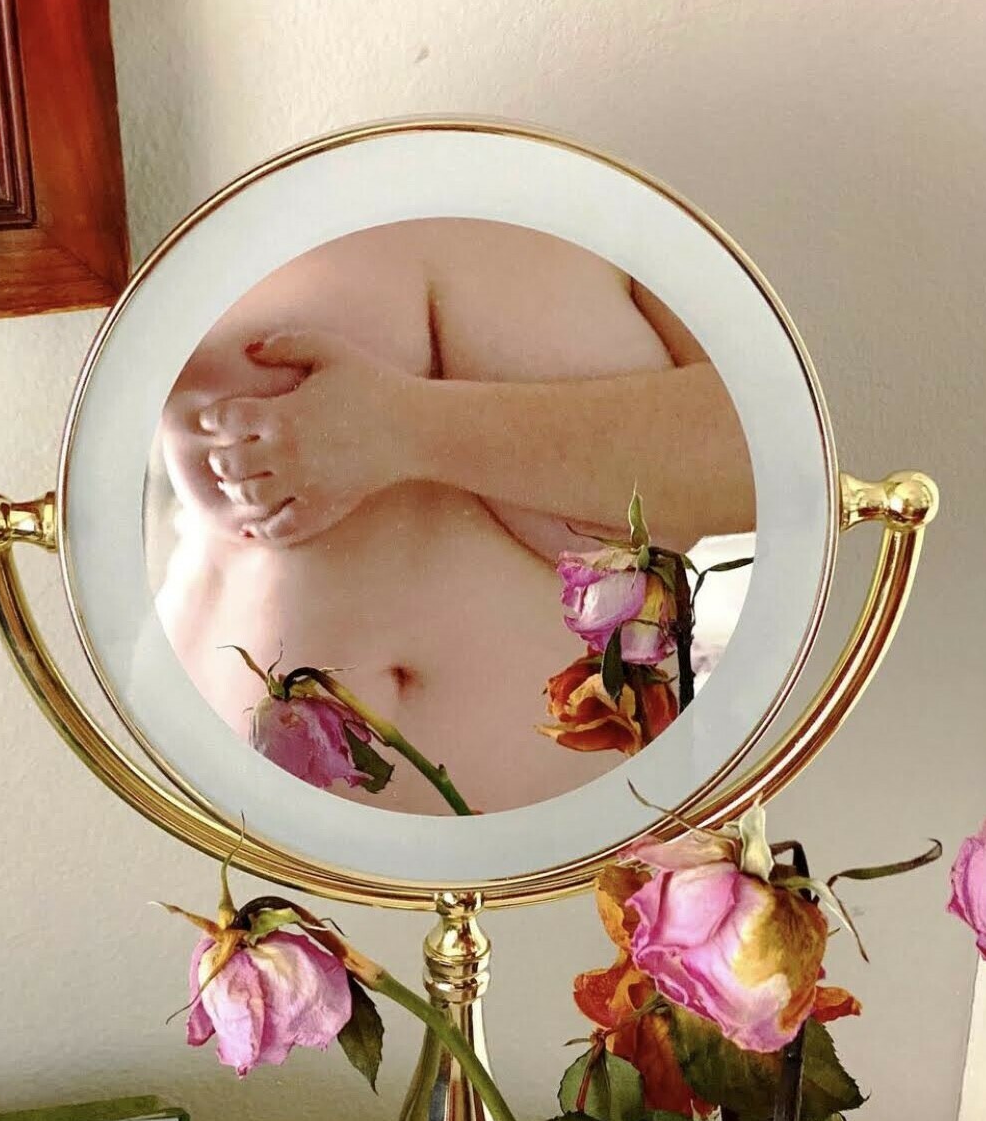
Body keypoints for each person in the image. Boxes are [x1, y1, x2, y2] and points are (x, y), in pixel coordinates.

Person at [150, 219, 754, 815]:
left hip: (585, 846)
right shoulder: (249, 200)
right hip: (215, 812)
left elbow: (759, 459)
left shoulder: (624, 207)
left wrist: (403, 426)